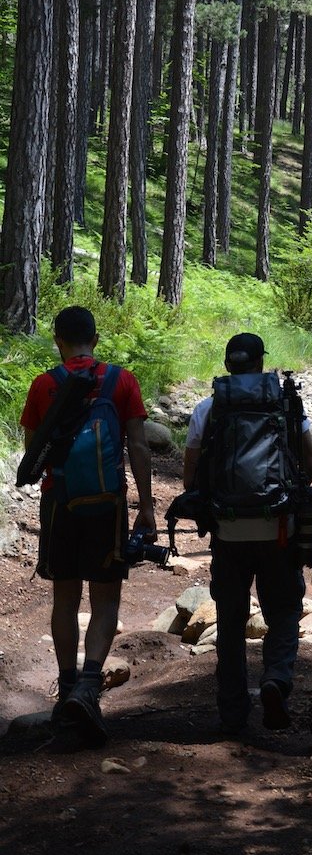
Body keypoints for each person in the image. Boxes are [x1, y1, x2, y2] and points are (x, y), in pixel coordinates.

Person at [20, 306, 154, 746]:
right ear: (95, 340)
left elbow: (32, 454)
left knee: (65, 596)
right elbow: (138, 446)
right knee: (105, 596)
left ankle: (65, 686)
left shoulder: (44, 385)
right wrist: (145, 507)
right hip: (107, 503)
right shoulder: (122, 380)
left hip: (60, 504)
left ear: (58, 340)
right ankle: (89, 686)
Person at [183, 333, 312, 736]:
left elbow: (191, 480)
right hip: (278, 530)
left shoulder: (208, 409)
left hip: (227, 532)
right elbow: (309, 465)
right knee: (284, 611)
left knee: (230, 621)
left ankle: (233, 715)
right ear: (261, 363)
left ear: (228, 365)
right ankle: (276, 678)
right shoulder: (286, 404)